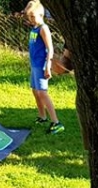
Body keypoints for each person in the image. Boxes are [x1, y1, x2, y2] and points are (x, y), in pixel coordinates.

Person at [24, 0, 64, 135]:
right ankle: (42, 116)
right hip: (34, 65)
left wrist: (47, 66)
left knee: (42, 93)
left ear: (41, 15)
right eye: (29, 16)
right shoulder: (34, 29)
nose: (31, 19)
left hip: (41, 66)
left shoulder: (43, 28)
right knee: (35, 91)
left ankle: (56, 122)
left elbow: (50, 48)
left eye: (33, 16)